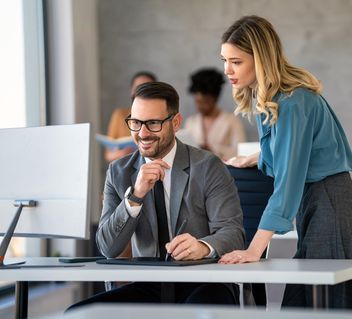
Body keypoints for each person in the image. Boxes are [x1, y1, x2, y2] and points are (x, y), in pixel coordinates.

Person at [219, 15, 352, 309]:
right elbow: (299, 151)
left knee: (321, 306)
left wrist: (254, 249)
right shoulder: (275, 99)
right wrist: (262, 155)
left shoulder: (291, 101)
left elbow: (288, 181)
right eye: (224, 60)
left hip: (331, 203)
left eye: (236, 61)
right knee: (305, 304)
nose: (227, 70)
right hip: (318, 203)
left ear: (260, 59)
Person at [69, 82, 245, 310]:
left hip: (203, 281)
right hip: (149, 285)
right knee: (77, 314)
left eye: (152, 123)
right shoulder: (118, 172)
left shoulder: (208, 166)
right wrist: (135, 196)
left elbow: (233, 233)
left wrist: (203, 246)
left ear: (175, 123)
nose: (142, 133)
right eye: (136, 123)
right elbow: (107, 247)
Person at [184, 68, 246, 160]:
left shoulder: (232, 120)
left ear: (215, 98)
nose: (201, 106)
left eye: (205, 102)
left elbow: (241, 151)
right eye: (198, 102)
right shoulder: (191, 122)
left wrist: (213, 149)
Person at [104, 71, 157, 163]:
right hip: (126, 166)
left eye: (147, 88)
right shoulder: (120, 115)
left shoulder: (161, 116)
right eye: (138, 87)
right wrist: (123, 153)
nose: (142, 92)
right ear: (132, 91)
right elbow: (108, 154)